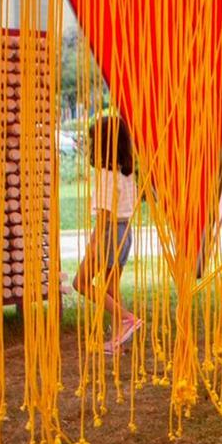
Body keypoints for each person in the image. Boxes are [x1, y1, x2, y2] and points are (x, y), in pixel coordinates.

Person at [67, 115, 141, 355]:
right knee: (110, 288)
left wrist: (92, 244)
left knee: (80, 282)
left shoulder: (106, 174)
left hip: (110, 232)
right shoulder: (127, 172)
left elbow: (105, 216)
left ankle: (128, 318)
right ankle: (117, 340)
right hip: (125, 232)